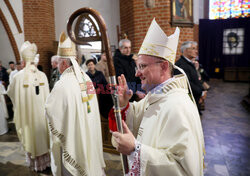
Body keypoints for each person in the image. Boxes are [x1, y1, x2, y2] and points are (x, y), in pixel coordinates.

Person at [109, 19, 205, 175]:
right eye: (137, 66)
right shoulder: (155, 96)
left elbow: (183, 170)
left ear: (163, 66)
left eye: (142, 66)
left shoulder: (178, 106)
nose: (137, 73)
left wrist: (136, 150)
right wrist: (123, 105)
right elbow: (131, 121)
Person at [45, 32, 105, 176]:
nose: (57, 66)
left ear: (64, 63)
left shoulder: (62, 84)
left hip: (74, 136)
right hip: (89, 130)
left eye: (59, 62)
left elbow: (51, 112)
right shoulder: (87, 78)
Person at [7, 41, 50, 171]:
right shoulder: (42, 75)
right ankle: (46, 163)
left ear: (23, 61)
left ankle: (35, 164)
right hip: (41, 117)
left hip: (28, 117)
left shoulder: (18, 77)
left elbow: (10, 92)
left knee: (31, 136)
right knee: (41, 137)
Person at [174, 41, 207, 114]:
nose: (196, 51)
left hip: (195, 100)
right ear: (186, 50)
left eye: (196, 49)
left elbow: (195, 79)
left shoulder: (188, 63)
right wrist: (200, 93)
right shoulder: (181, 65)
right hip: (188, 103)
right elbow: (187, 84)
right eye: (193, 48)